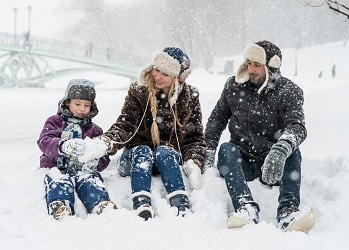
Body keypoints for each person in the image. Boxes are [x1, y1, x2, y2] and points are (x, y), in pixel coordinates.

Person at [79, 47, 205, 220]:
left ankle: (180, 203)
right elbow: (125, 125)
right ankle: (141, 203)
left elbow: (194, 137)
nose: (157, 76)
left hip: (166, 161)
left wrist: (194, 161)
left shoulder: (190, 97)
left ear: (179, 79)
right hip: (135, 159)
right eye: (157, 69)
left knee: (164, 151)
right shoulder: (139, 91)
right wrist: (106, 142)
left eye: (165, 74)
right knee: (143, 151)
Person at [204, 40, 316, 232]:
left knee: (293, 151)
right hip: (242, 163)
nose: (251, 69)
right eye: (248, 63)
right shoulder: (233, 86)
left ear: (271, 67)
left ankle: (288, 212)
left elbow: (297, 126)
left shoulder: (289, 92)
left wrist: (281, 149)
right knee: (226, 149)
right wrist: (207, 152)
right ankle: (245, 207)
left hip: (274, 165)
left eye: (257, 65)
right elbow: (216, 120)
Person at [37, 79, 116, 220]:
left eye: (86, 105)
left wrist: (96, 161)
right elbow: (44, 141)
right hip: (56, 166)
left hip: (82, 169)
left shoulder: (94, 130)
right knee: (59, 181)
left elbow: (103, 155)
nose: (82, 109)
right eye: (77, 104)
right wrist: (62, 146)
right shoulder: (54, 122)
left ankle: (99, 203)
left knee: (90, 180)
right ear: (67, 102)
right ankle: (60, 205)